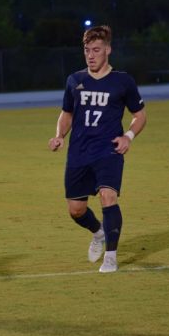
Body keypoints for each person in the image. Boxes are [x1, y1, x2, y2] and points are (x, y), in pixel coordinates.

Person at [48, 25, 146, 273]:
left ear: (108, 50)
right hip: (79, 152)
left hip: (108, 151)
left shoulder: (123, 81)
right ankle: (98, 232)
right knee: (76, 210)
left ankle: (111, 257)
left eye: (96, 50)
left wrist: (128, 136)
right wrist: (59, 135)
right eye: (87, 50)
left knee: (107, 196)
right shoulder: (75, 80)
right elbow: (67, 113)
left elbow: (140, 115)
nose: (91, 55)